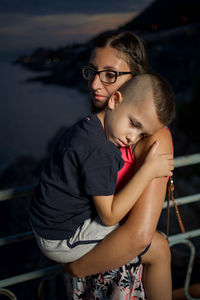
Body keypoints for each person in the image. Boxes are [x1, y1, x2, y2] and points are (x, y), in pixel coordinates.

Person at [30, 72, 175, 299]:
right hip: (60, 239)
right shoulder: (102, 151)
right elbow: (109, 217)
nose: (132, 138)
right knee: (153, 245)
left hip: (44, 224)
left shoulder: (86, 128)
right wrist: (147, 171)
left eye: (142, 133)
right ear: (115, 100)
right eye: (133, 124)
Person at [63, 31, 175, 300]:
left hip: (111, 267)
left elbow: (138, 235)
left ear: (135, 79)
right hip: (84, 253)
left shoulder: (153, 135)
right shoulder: (99, 129)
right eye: (92, 72)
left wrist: (77, 267)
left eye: (110, 75)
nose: (95, 84)